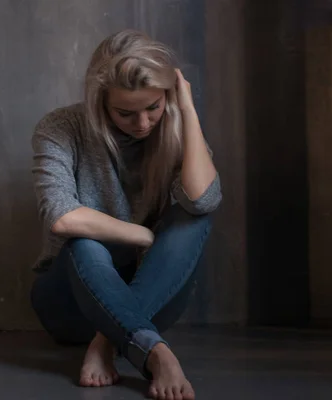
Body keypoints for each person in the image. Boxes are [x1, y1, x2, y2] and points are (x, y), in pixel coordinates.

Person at [29, 29, 221, 400]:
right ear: (99, 101)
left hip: (152, 296)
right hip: (70, 303)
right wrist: (145, 236)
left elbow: (203, 200)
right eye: (126, 113)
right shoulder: (60, 128)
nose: (144, 123)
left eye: (153, 107)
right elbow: (61, 216)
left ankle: (108, 341)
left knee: (195, 215)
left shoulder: (175, 127)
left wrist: (187, 110)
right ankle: (155, 353)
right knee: (85, 241)